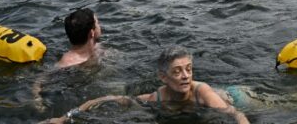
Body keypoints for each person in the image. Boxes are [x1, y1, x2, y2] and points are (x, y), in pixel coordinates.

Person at [46, 46, 249, 124]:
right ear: (163, 77)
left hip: (234, 96)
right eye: (177, 71)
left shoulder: (201, 91)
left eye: (189, 69)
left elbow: (236, 114)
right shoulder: (156, 99)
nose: (186, 76)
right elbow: (109, 99)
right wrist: (63, 118)